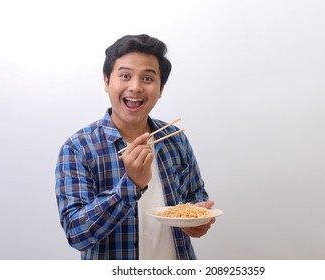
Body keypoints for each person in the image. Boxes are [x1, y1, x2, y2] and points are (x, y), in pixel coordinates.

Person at [55, 34, 215, 260]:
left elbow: (195, 195)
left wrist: (197, 217)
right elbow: (76, 234)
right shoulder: (78, 148)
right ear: (106, 81)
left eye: (148, 79)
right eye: (125, 76)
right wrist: (131, 185)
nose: (136, 87)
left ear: (160, 89)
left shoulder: (174, 138)